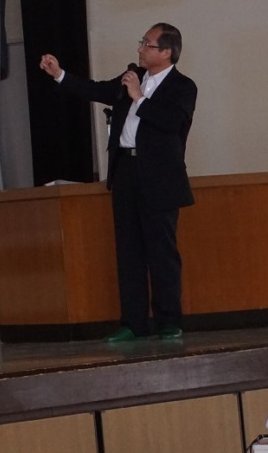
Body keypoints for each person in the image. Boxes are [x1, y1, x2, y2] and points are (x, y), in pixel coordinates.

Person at [38, 23, 196, 342]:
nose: (140, 49)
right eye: (142, 43)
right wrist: (59, 74)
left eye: (147, 44)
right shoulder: (132, 76)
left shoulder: (182, 86)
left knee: (161, 251)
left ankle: (168, 321)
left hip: (160, 177)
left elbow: (172, 123)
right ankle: (133, 323)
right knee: (128, 251)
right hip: (126, 171)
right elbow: (95, 90)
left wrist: (139, 98)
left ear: (167, 52)